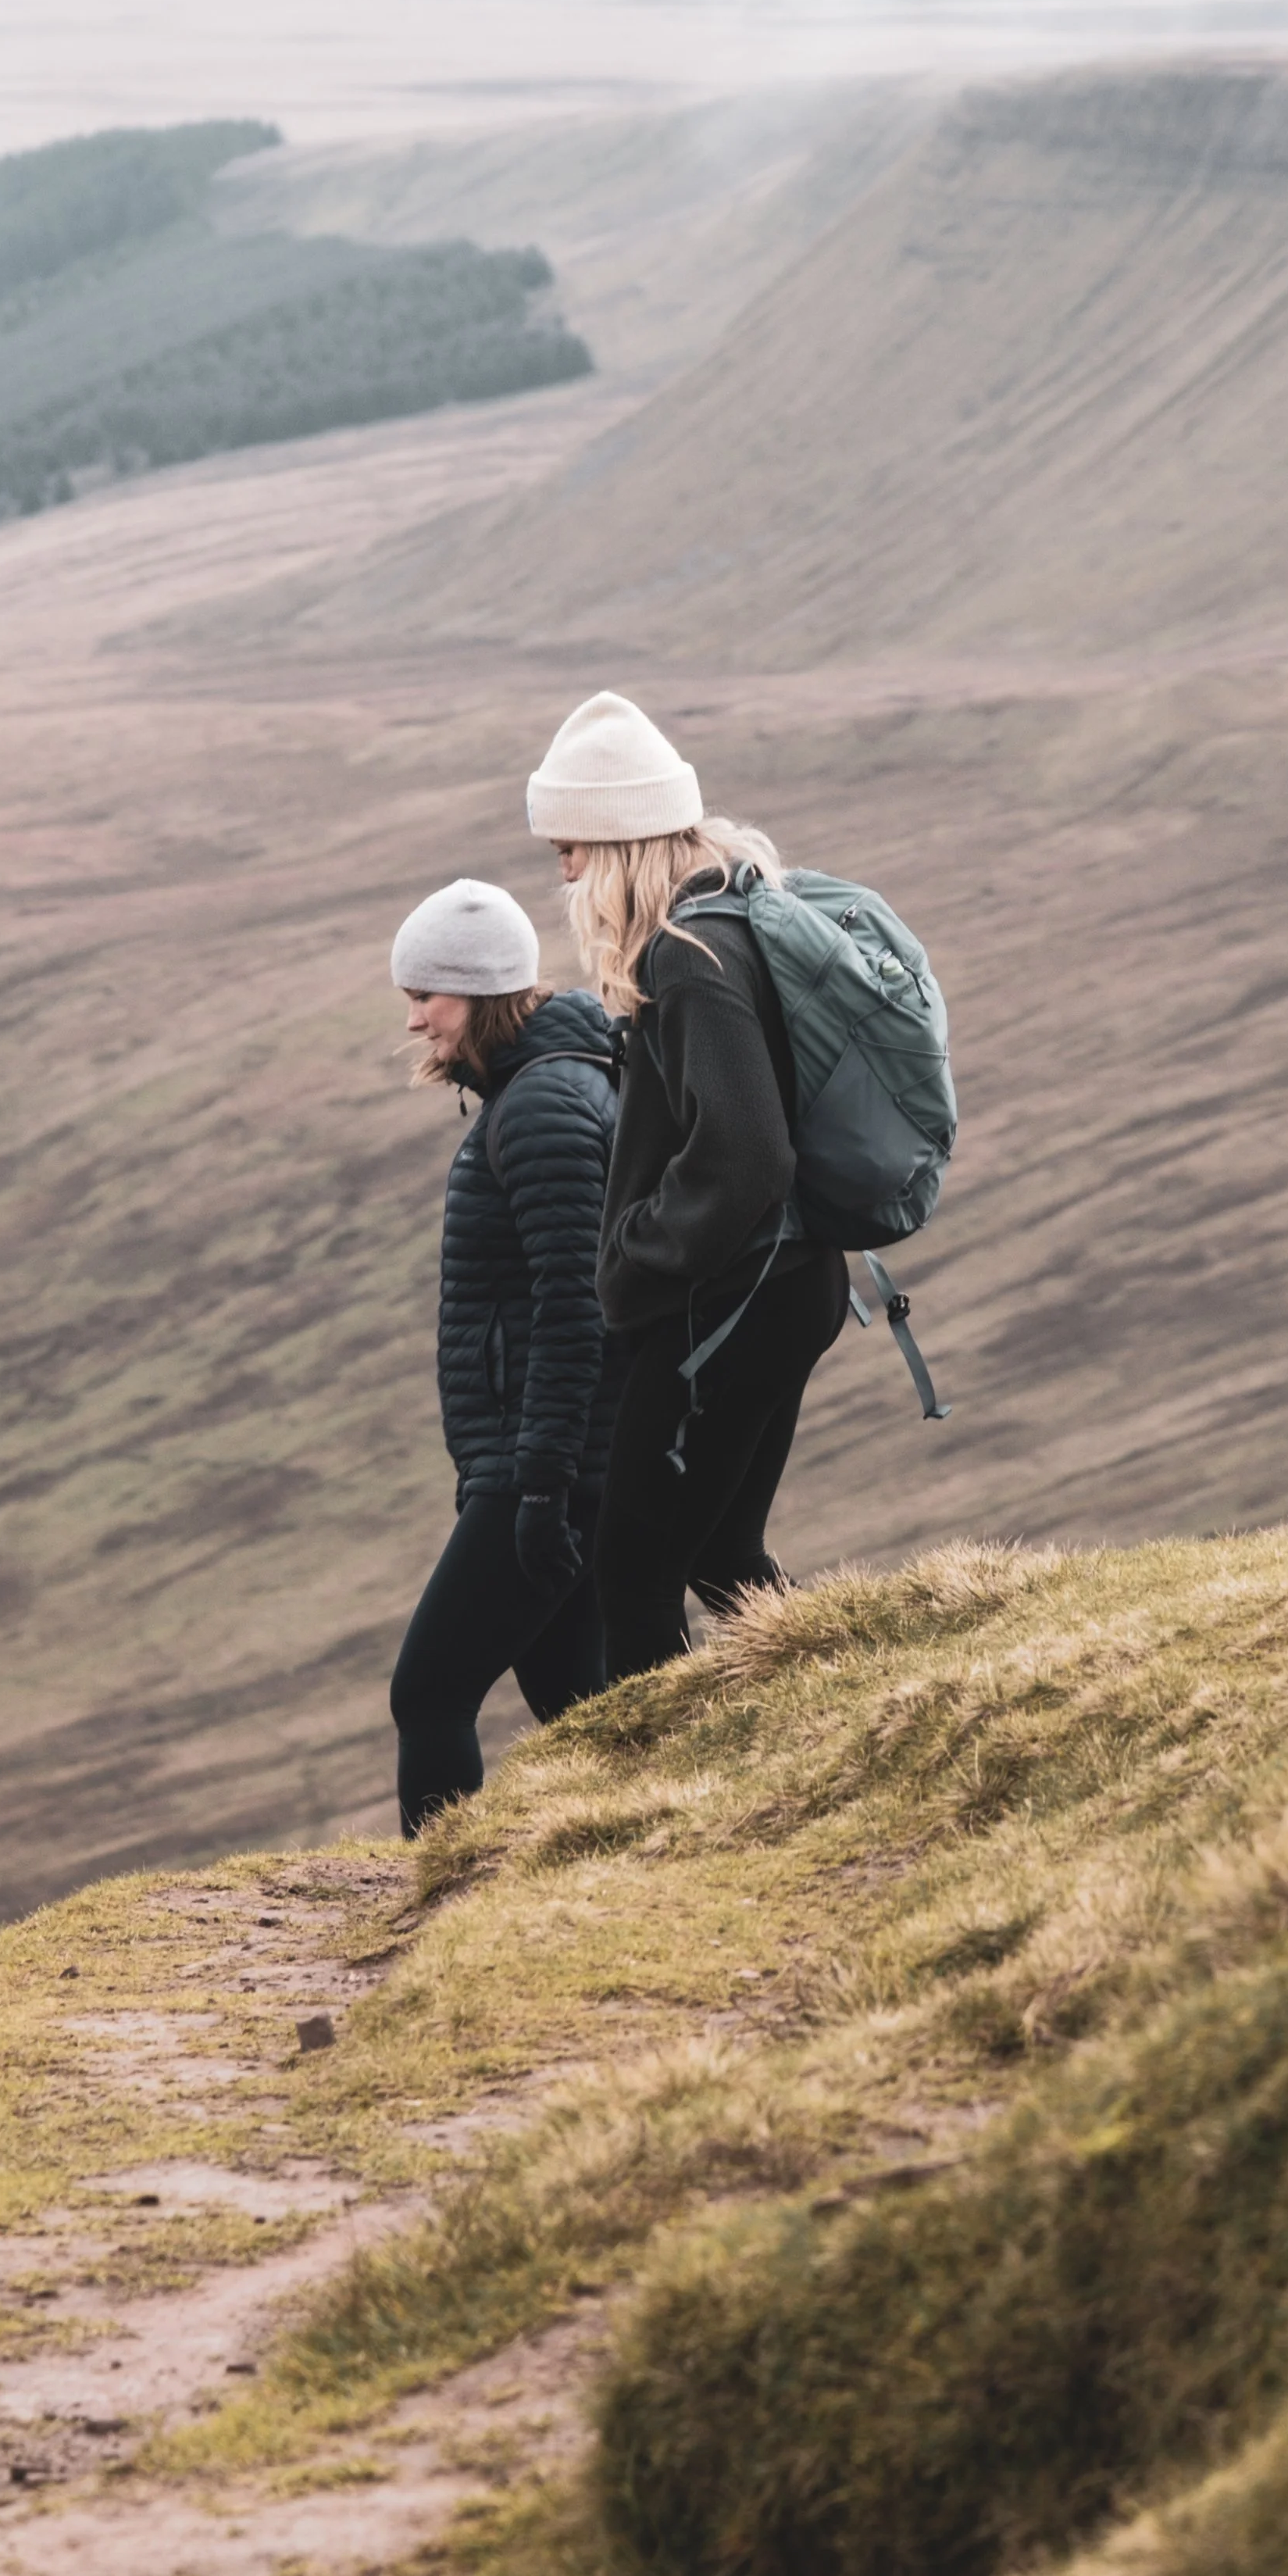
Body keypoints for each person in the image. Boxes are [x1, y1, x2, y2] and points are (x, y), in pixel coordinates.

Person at [525, 691, 849, 1681]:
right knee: (720, 1553)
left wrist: (639, 1251)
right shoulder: (738, 916)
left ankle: (669, 1811)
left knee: (632, 1580)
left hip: (728, 1303)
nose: (564, 869)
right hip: (787, 1283)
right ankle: (840, 1708)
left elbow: (748, 1151)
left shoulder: (687, 956)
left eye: (570, 846)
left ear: (616, 840)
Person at [387, 875, 624, 1834]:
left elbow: (579, 1308)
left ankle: (430, 1911)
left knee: (430, 1690)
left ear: (479, 992)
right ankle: (651, 1869)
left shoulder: (541, 1108)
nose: (413, 1022)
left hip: (545, 1464)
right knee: (588, 1702)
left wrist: (536, 1485)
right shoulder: (537, 1090)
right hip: (551, 1459)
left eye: (425, 996)